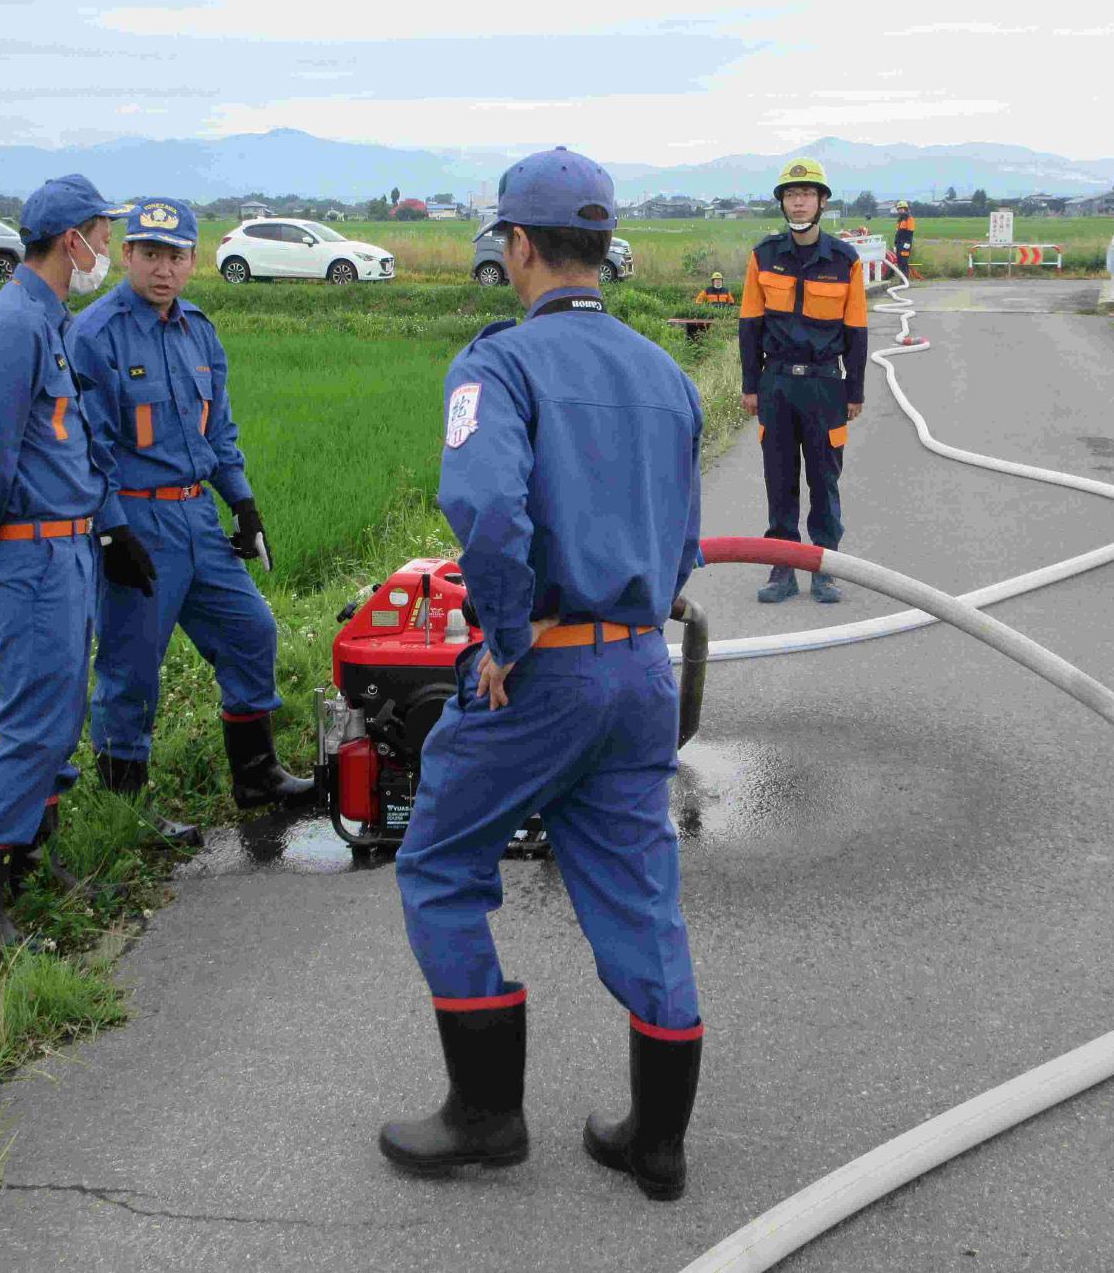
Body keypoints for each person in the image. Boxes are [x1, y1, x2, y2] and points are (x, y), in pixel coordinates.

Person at [380, 147, 708, 1203]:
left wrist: (508, 638)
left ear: (517, 246)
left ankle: (485, 1116)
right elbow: (684, 543)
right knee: (640, 893)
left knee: (439, 864)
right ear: (601, 249)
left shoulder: (500, 366)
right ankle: (657, 1143)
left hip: (545, 674)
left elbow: (487, 511)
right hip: (640, 672)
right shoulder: (664, 375)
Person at [0, 174, 145, 945]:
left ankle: (25, 859)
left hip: (69, 548)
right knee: (33, 725)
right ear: (72, 241)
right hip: (30, 557)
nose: (109, 248)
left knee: (59, 719)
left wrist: (109, 529)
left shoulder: (50, 319)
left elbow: (68, 443)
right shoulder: (15, 327)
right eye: (104, 234)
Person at [69, 197, 311, 844]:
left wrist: (244, 505)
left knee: (251, 630)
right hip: (138, 521)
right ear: (128, 255)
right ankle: (126, 812)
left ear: (193, 260)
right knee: (131, 667)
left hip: (198, 515)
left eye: (176, 256)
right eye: (150, 254)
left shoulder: (198, 331)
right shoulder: (95, 335)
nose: (163, 269)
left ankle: (256, 775)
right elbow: (87, 447)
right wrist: (111, 529)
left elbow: (219, 430)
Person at [738, 157, 869, 605]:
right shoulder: (764, 256)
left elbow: (857, 331)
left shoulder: (845, 260)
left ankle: (825, 568)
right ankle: (782, 570)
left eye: (807, 194)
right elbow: (750, 325)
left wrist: (854, 391)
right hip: (776, 384)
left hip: (825, 386)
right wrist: (750, 385)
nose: (798, 202)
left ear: (822, 202)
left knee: (824, 481)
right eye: (791, 195)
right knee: (779, 481)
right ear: (782, 203)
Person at [892, 198, 916, 277]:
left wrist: (907, 243)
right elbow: (897, 234)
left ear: (905, 209)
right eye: (898, 209)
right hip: (899, 244)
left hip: (905, 244)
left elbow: (910, 233)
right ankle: (902, 278)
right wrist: (895, 244)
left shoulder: (909, 219)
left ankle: (905, 277)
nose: (899, 211)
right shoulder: (900, 220)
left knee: (903, 261)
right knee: (899, 261)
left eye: (901, 209)